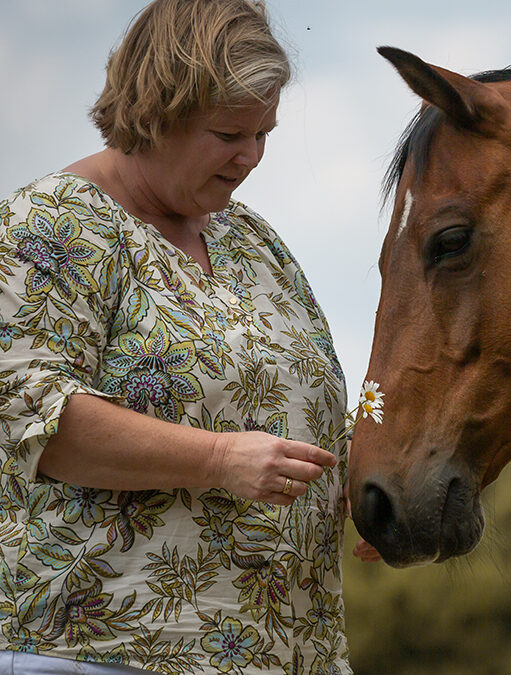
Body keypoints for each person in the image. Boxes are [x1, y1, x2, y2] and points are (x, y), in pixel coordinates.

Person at [0, 1, 375, 672]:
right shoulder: (51, 223)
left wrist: (362, 484)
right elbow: (31, 418)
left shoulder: (252, 240)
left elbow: (298, 405)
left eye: (266, 132)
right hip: (101, 653)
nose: (252, 156)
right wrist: (216, 459)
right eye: (231, 132)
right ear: (157, 112)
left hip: (288, 655)